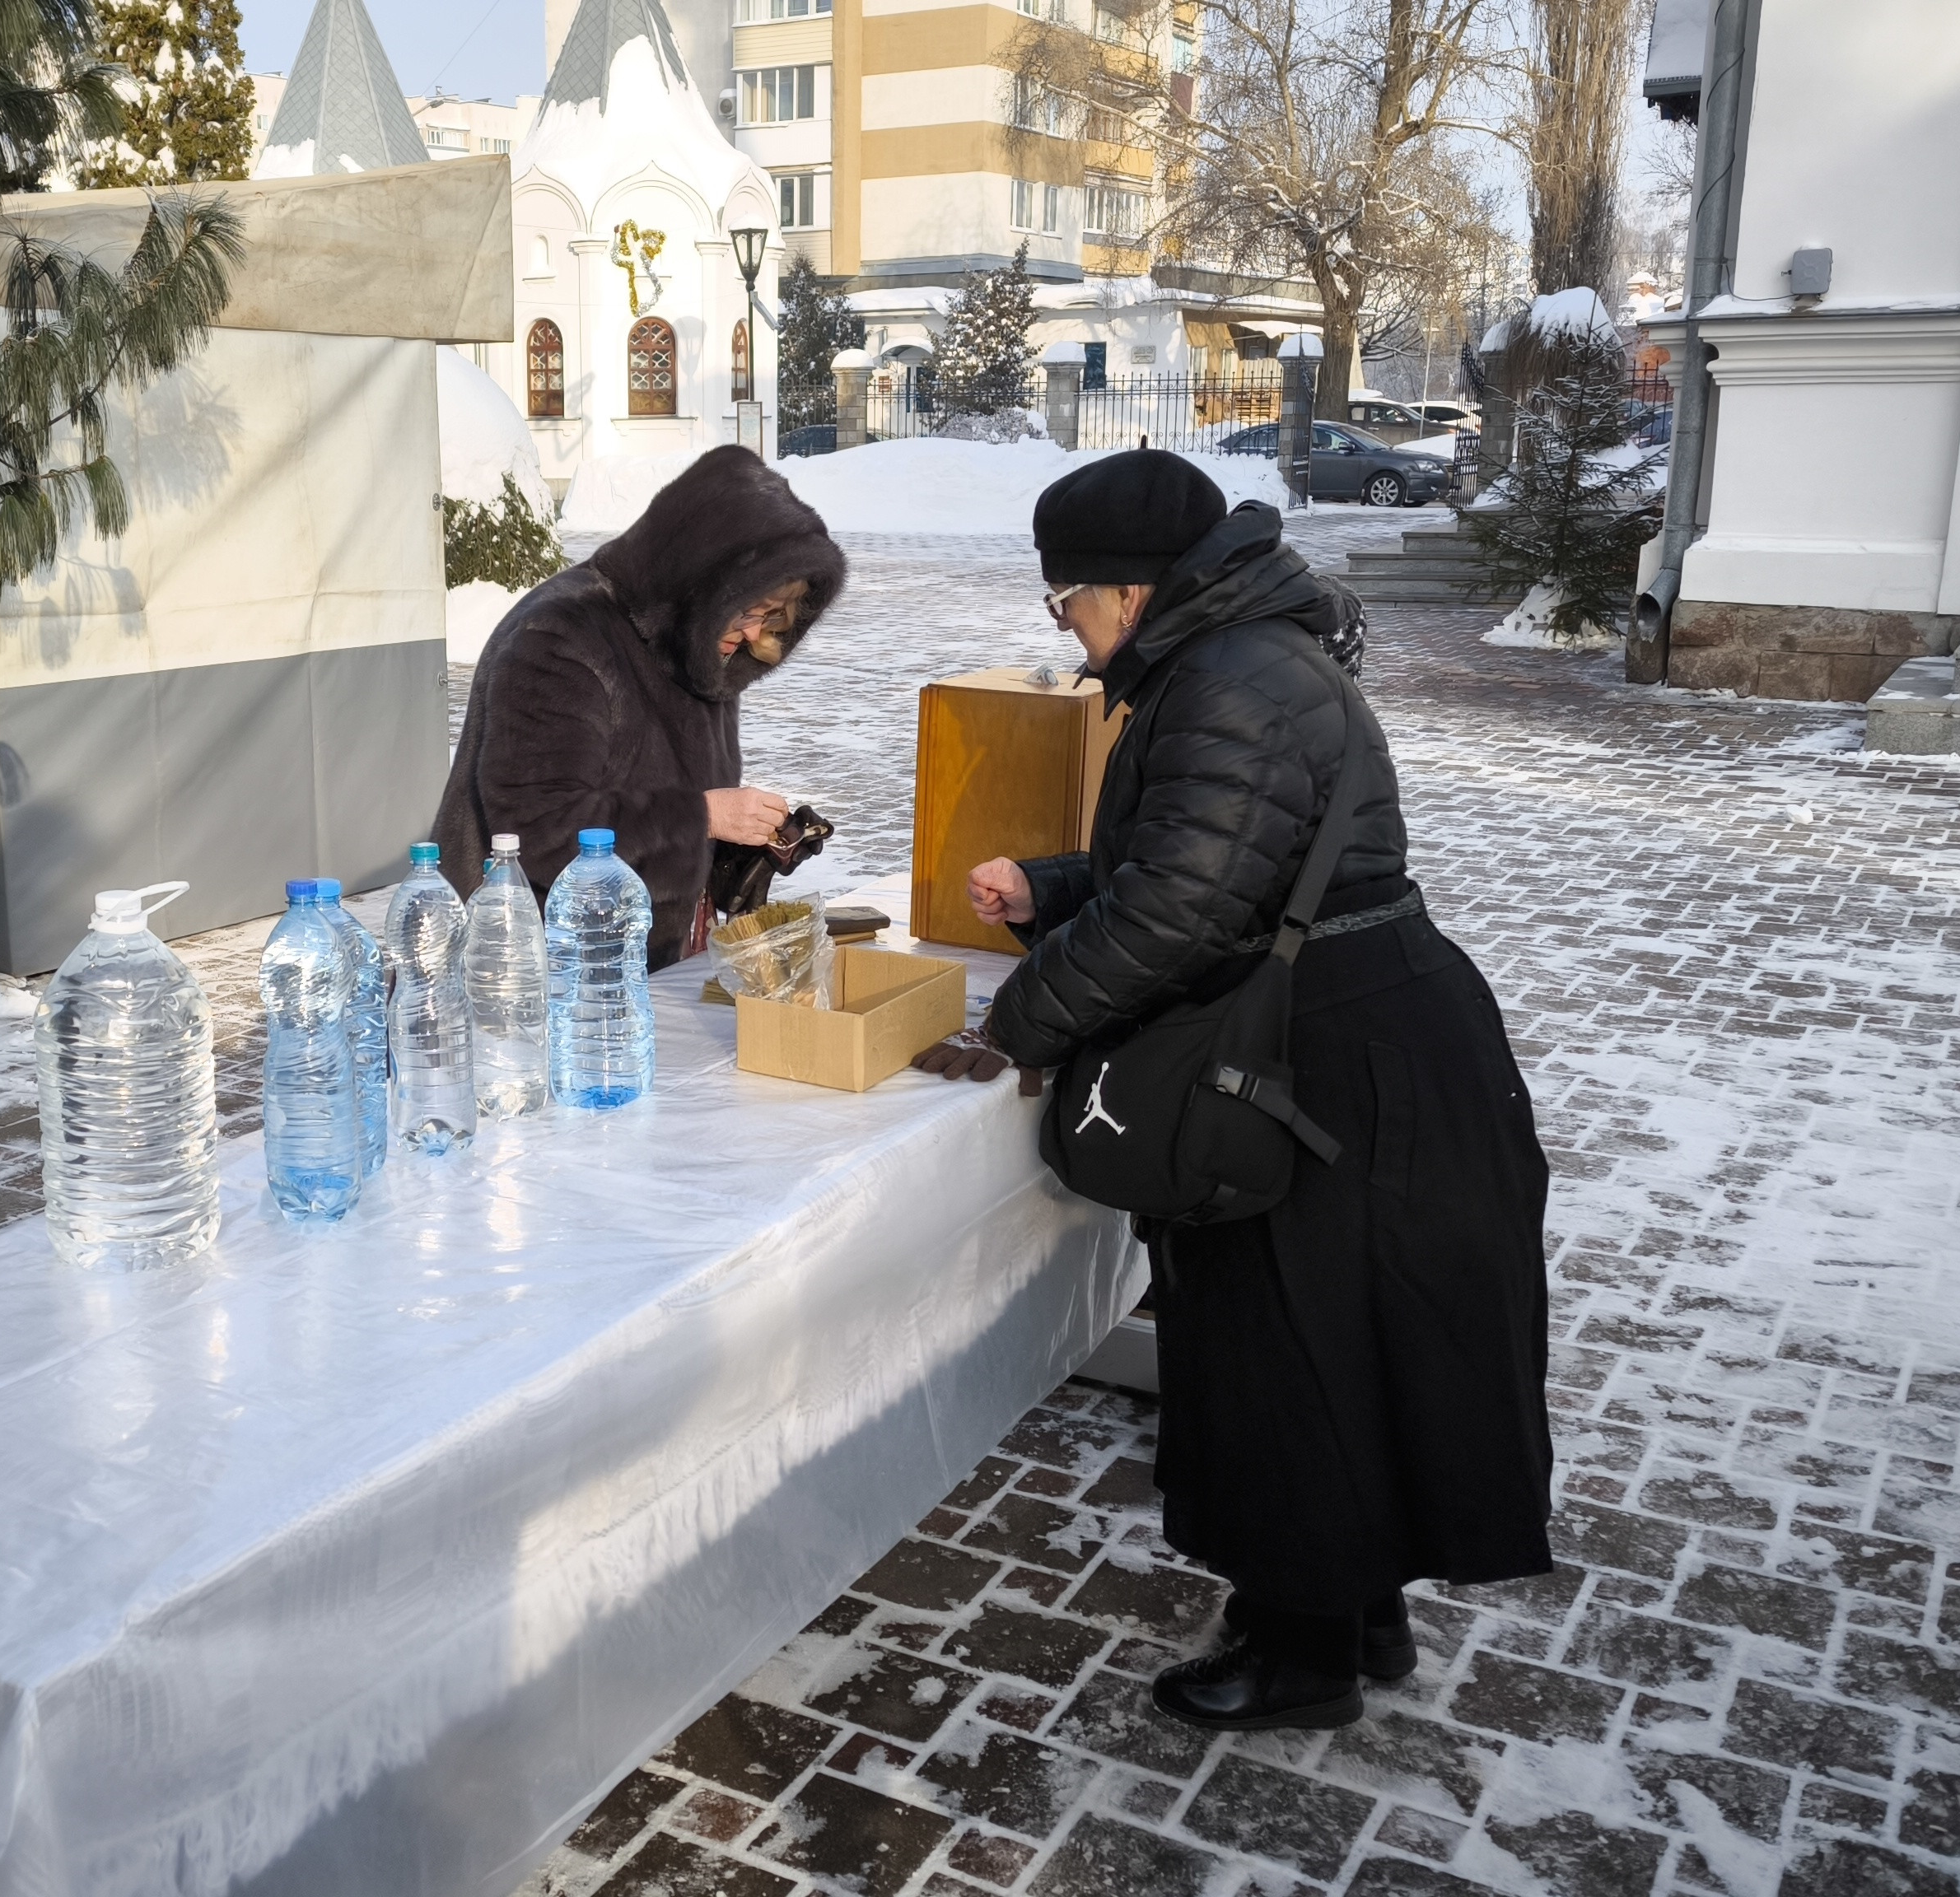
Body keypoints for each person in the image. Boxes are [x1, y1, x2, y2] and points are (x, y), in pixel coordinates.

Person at [921, 450, 1554, 1732]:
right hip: (1350, 1033)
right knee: (1352, 1346)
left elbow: (1185, 910)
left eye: (1069, 605)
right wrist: (1053, 890)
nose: (1074, 639)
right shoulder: (1241, 658)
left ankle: (1301, 1653)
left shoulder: (1226, 680)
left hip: (1317, 1055)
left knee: (1290, 1349)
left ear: (1131, 591)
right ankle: (1354, 1616)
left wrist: (1022, 1022)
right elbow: (1218, 864)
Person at [433, 445, 845, 966]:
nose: (753, 635)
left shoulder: (694, 649)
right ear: (699, 580)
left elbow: (663, 804)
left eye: (772, 618)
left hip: (624, 970)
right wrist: (703, 817)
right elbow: (536, 832)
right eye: (746, 610)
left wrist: (748, 847)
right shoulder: (561, 636)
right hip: (527, 973)